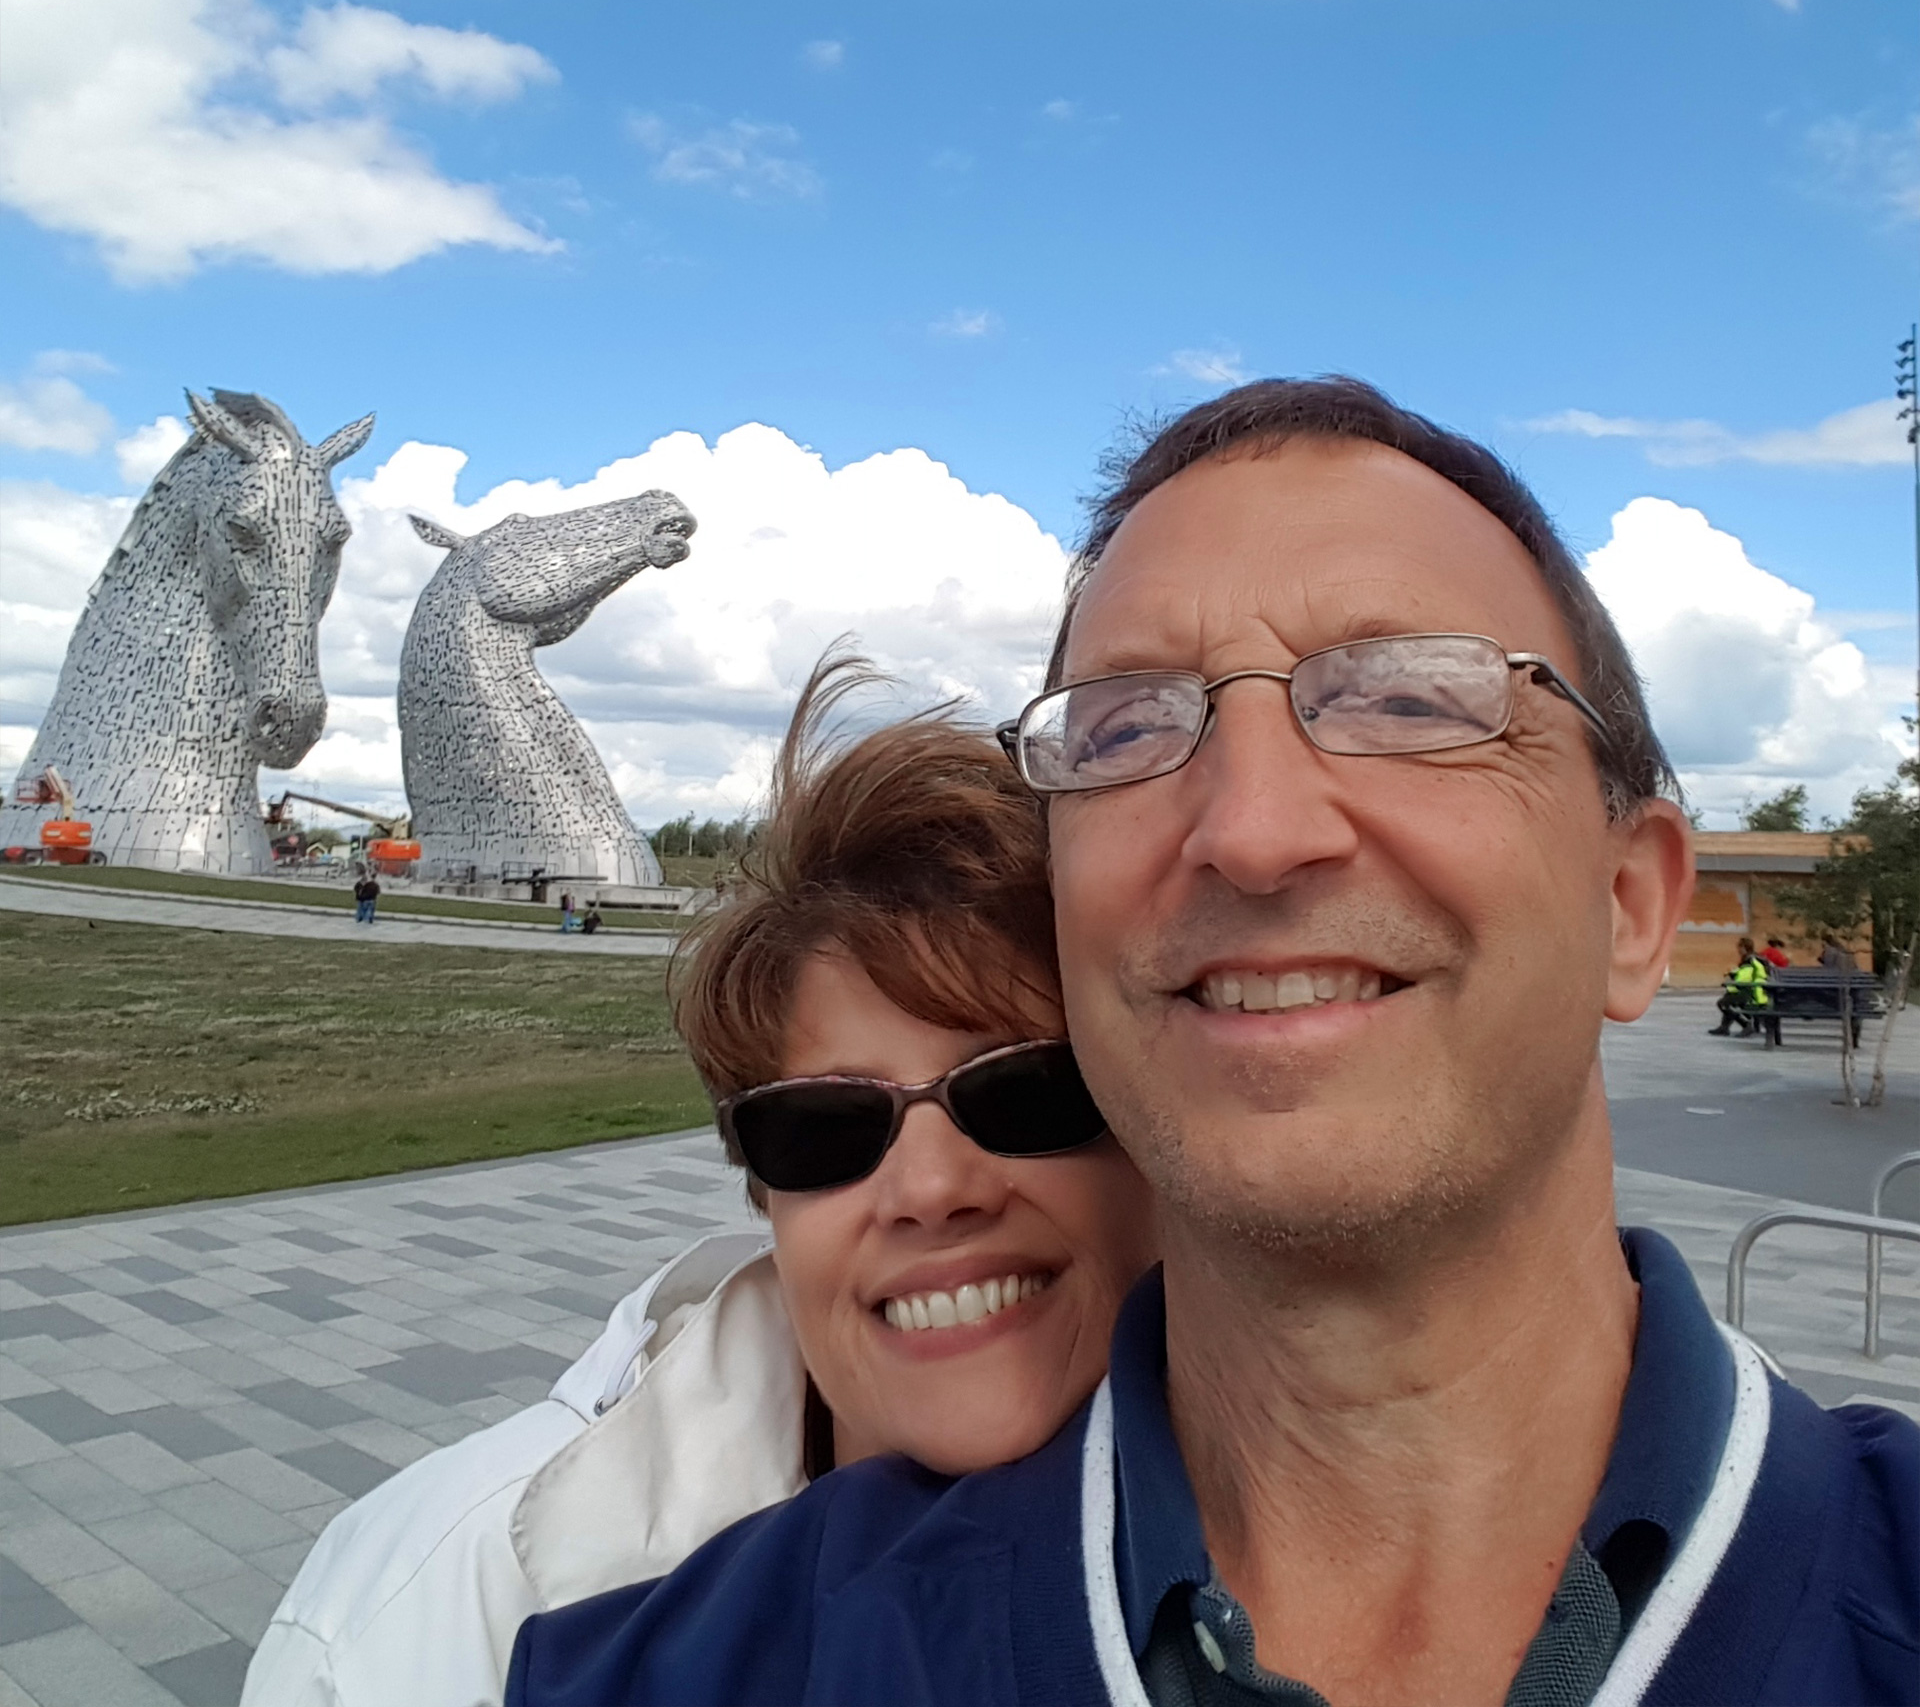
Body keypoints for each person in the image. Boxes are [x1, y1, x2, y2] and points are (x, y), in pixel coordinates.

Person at [511, 378, 1917, 1707]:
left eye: (1407, 697)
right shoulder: (695, 1667)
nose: (1250, 828)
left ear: (1629, 905)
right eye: (1127, 730)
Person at [242, 657, 1155, 1707]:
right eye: (822, 1129)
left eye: (1027, 1095)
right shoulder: (430, 1613)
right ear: (766, 1192)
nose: (932, 1187)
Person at [1709, 936, 1770, 1038]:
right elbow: (1746, 973)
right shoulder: (1752, 958)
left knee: (1724, 1003)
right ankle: (1724, 1027)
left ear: (1744, 948)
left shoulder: (1751, 960)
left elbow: (1744, 978)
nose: (1738, 950)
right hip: (1753, 991)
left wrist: (1733, 976)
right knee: (1728, 998)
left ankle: (1746, 1024)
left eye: (1740, 947)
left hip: (1752, 994)